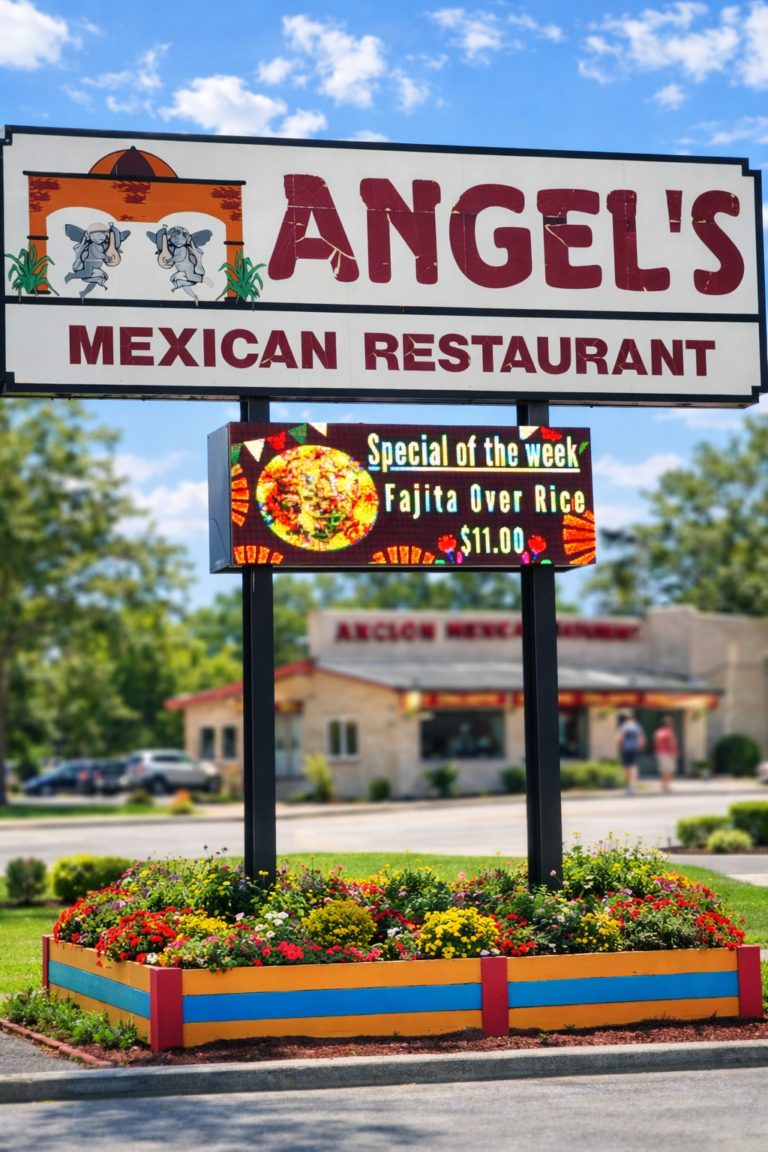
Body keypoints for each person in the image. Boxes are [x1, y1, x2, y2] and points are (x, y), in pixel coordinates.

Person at [616, 711, 645, 794]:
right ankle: (633, 785)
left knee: (626, 767)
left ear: (626, 719)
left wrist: (619, 748)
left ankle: (628, 785)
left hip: (625, 748)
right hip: (634, 748)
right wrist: (640, 748)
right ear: (633, 718)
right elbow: (641, 739)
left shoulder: (623, 726)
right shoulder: (637, 726)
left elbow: (619, 738)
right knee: (633, 766)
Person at [654, 715, 679, 792]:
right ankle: (665, 785)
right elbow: (672, 743)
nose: (673, 724)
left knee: (664, 770)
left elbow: (656, 742)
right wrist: (676, 752)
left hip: (660, 753)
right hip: (668, 753)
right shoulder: (669, 732)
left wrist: (657, 751)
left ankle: (664, 785)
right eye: (672, 723)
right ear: (669, 724)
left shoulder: (658, 732)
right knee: (671, 770)